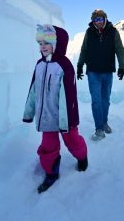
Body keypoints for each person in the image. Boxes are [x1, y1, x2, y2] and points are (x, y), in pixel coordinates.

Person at [23, 24, 88, 193]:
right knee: (47, 146)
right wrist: (29, 112)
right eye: (40, 43)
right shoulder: (39, 64)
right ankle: (51, 172)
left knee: (72, 141)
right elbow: (33, 90)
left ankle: (82, 156)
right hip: (46, 118)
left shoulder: (64, 65)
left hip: (66, 117)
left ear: (58, 43)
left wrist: (67, 121)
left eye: (47, 42)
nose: (42, 46)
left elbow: (69, 95)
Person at [77, 9, 124, 141]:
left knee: (106, 100)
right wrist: (80, 66)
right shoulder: (89, 32)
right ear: (93, 21)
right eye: (96, 19)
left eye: (100, 19)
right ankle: (99, 128)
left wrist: (122, 66)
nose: (98, 22)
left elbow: (119, 49)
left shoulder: (113, 31)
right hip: (93, 72)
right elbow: (84, 49)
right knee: (96, 101)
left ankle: (104, 122)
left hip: (108, 72)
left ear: (105, 19)